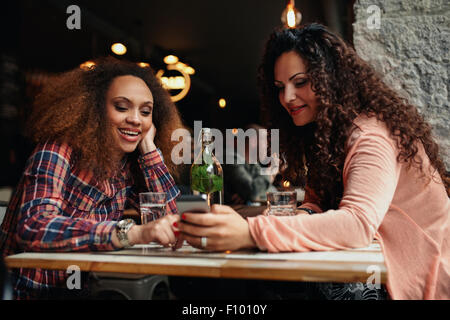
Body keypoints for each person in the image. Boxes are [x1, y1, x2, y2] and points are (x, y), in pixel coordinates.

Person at [176, 24, 450, 300]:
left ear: (331, 79)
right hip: (383, 264)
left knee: (262, 284)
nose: (287, 98)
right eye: (280, 88)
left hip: (419, 276)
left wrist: (250, 232)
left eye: (301, 82)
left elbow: (356, 225)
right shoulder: (329, 137)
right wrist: (301, 214)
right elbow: (317, 203)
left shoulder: (370, 137)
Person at [0, 57, 183, 299]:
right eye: (121, 107)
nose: (136, 119)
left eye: (145, 111)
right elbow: (33, 226)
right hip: (31, 292)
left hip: (88, 288)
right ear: (94, 110)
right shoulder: (58, 149)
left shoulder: (130, 165)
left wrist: (149, 149)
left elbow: (169, 223)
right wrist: (130, 233)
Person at [223, 123, 277, 205]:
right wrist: (270, 173)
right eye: (265, 141)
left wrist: (247, 195)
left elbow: (272, 191)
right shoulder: (230, 158)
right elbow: (253, 192)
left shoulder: (252, 163)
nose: (267, 146)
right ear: (253, 141)